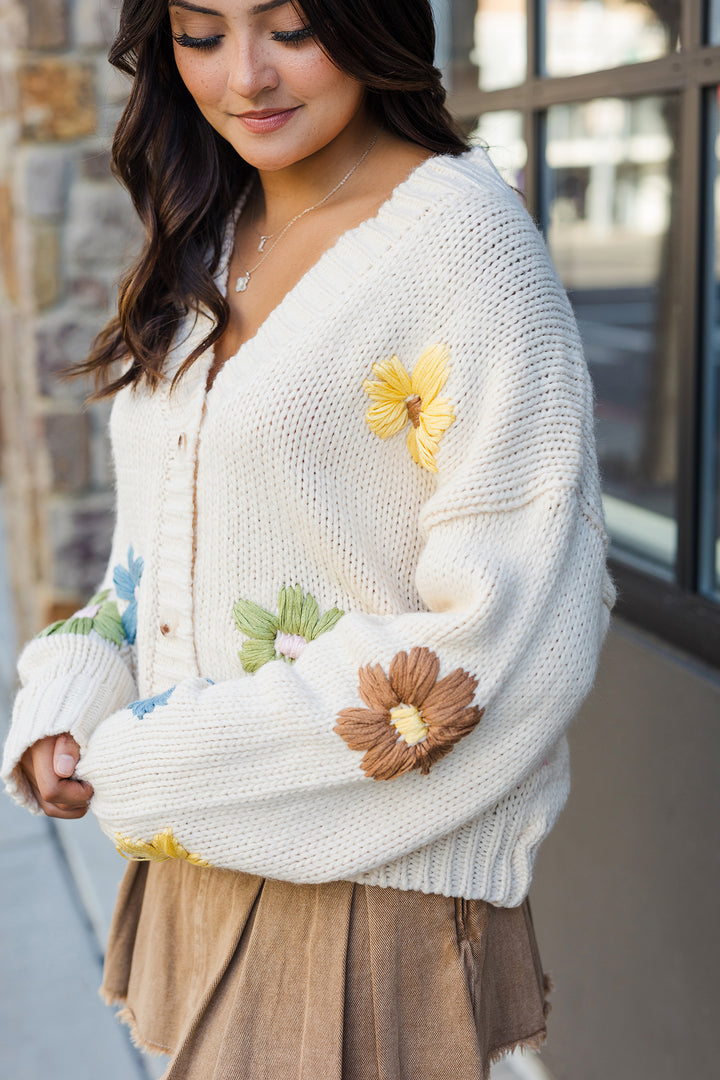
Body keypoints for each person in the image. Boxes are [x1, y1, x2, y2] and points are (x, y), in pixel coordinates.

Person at [1, 0, 615, 1076]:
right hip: (199, 862)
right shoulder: (212, 222)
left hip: (360, 894)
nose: (245, 77)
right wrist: (76, 697)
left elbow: (508, 633)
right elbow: (156, 552)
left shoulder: (465, 245)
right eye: (200, 34)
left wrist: (149, 754)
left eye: (289, 28)